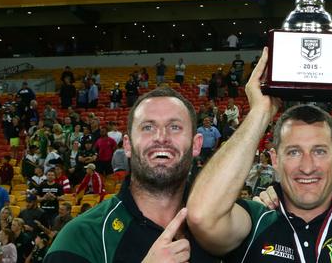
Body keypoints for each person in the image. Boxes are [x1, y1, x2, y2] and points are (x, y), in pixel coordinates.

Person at [187, 48, 332, 261]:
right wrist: (260, 112)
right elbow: (202, 218)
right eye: (293, 152)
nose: (308, 166)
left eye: (320, 151)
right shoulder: (256, 219)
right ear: (274, 160)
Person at [45, 87, 217, 263]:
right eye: (148, 127)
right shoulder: (80, 239)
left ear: (197, 145)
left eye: (175, 127)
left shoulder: (230, 228)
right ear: (127, 145)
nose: (161, 137)